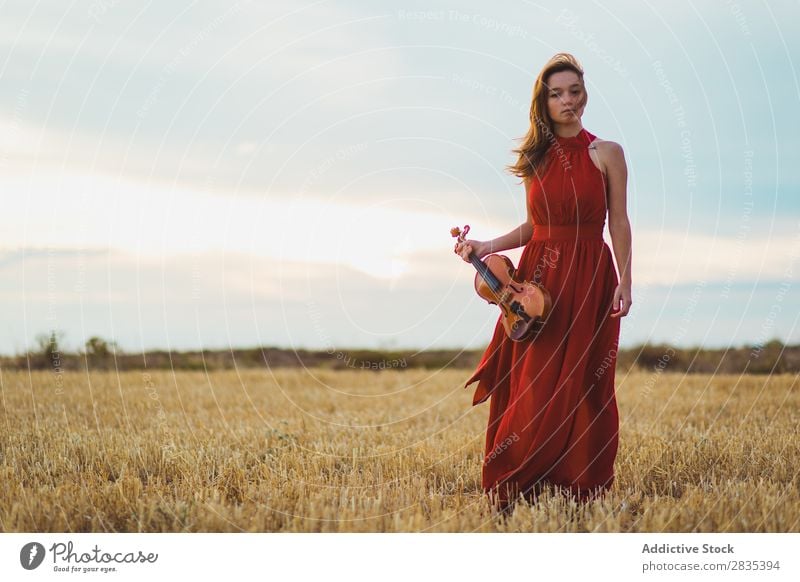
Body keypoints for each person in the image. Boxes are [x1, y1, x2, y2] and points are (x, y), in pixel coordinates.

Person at [453, 53, 632, 512]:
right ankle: (519, 478)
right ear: (545, 101)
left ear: (585, 95)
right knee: (531, 377)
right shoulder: (536, 157)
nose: (567, 100)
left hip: (591, 274)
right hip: (539, 281)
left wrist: (626, 280)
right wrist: (486, 245)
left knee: (586, 379)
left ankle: (579, 484)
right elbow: (535, 226)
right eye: (557, 93)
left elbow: (619, 222)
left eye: (574, 91)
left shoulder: (606, 152)